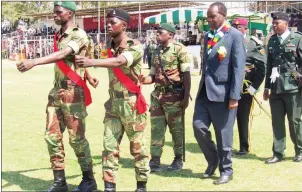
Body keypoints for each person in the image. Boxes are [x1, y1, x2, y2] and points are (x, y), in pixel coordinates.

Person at [16, 1, 99, 192]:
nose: (54, 15)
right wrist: (88, 75)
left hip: (72, 93)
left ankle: (89, 180)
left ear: (69, 14)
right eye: (54, 12)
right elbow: (76, 63)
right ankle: (59, 181)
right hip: (56, 92)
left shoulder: (78, 34)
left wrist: (34, 61)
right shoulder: (59, 34)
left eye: (58, 12)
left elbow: (64, 54)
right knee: (51, 136)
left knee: (77, 139)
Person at [74, 8, 150, 192]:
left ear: (124, 25)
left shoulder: (135, 45)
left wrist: (91, 62)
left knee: (138, 149)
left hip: (131, 104)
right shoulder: (110, 45)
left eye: (112, 22)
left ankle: (141, 187)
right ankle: (109, 187)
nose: (108, 25)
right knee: (109, 148)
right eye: (107, 22)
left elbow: (119, 62)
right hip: (113, 105)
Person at [192, 2, 246, 185]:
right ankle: (213, 160)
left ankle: (227, 170)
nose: (209, 20)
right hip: (204, 92)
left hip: (224, 94)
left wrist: (234, 96)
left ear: (223, 15)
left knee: (224, 135)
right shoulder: (208, 35)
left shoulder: (235, 36)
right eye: (208, 17)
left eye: (212, 17)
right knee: (198, 127)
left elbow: (239, 69)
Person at [141, 23, 192, 172]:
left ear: (170, 34)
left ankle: (178, 159)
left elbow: (186, 74)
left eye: (160, 33)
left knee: (176, 129)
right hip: (158, 95)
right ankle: (155, 160)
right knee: (157, 128)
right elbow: (152, 75)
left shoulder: (180, 49)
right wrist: (142, 80)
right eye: (156, 33)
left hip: (174, 95)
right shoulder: (155, 51)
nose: (156, 35)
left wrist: (186, 96)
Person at [263, 12, 302, 164]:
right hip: (276, 87)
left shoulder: (297, 39)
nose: (274, 25)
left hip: (293, 87)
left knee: (295, 121)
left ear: (286, 24)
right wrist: (267, 87)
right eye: (273, 23)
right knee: (277, 121)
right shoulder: (272, 40)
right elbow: (269, 66)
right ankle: (278, 153)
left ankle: (300, 150)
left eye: (277, 23)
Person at [232, 18, 266, 155]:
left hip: (245, 88)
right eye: (233, 26)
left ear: (244, 29)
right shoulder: (228, 41)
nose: (234, 29)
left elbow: (262, 68)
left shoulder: (254, 44)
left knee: (242, 118)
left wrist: (253, 88)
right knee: (226, 118)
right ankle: (225, 146)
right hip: (229, 86)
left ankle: (244, 147)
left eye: (238, 27)